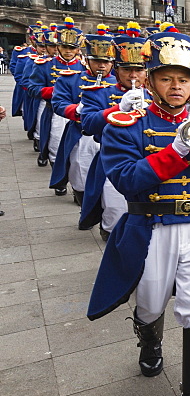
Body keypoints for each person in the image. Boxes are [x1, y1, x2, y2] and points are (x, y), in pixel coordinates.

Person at [86, 29, 190, 396]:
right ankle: (149, 340)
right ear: (150, 80)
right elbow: (129, 179)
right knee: (149, 303)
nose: (176, 86)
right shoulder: (126, 124)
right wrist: (178, 150)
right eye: (166, 78)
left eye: (183, 79)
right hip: (152, 226)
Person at [78, 24, 147, 240]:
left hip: (149, 161)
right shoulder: (98, 93)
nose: (133, 75)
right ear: (116, 70)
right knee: (115, 213)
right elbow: (88, 124)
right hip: (114, 159)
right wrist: (119, 108)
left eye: (139, 70)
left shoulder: (158, 95)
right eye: (127, 69)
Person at [49, 26, 114, 204]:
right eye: (97, 60)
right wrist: (77, 110)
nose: (102, 65)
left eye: (107, 61)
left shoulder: (118, 83)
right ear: (87, 59)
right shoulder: (70, 78)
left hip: (110, 135)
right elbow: (58, 103)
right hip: (82, 133)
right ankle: (82, 199)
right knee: (79, 170)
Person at [26, 19, 86, 172]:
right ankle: (57, 171)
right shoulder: (45, 65)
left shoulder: (84, 67)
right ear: (58, 46)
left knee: (79, 151)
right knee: (55, 143)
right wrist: (51, 92)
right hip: (53, 109)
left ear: (78, 49)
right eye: (65, 47)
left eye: (72, 48)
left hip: (77, 112)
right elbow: (32, 88)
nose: (68, 51)